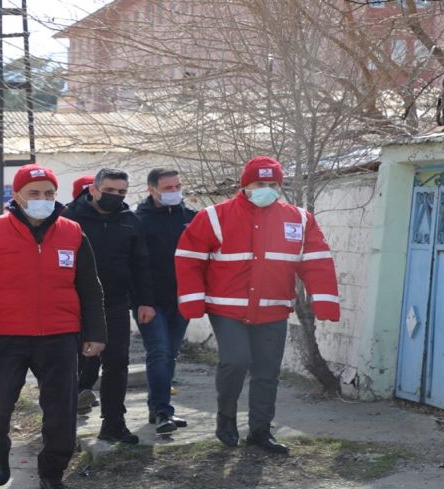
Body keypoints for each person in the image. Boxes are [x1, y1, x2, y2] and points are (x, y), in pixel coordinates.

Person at [0, 163, 106, 489]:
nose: (43, 199)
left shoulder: (72, 232)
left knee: (61, 410)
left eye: (49, 193)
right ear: (17, 195)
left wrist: (95, 333)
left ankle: (52, 475)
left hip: (59, 334)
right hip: (3, 335)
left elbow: (89, 287)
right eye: (34, 193)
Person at [175, 156, 340, 455]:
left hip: (272, 308)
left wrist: (324, 299)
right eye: (259, 183)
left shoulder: (299, 219)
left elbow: (317, 261)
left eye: (272, 184)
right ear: (245, 185)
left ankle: (260, 431)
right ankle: (226, 420)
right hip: (227, 308)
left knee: (267, 371)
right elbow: (189, 259)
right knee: (235, 361)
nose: (267, 189)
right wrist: (192, 300)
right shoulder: (214, 216)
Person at [62, 169, 155, 444]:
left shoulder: (130, 221)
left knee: (117, 363)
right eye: (110, 191)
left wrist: (145, 301)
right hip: (74, 304)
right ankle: (60, 425)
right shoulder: (68, 219)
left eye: (122, 192)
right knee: (69, 363)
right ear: (93, 189)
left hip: (115, 304)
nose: (116, 196)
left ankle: (113, 423)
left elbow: (141, 264)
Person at [134, 168, 198, 434]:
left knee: (170, 353)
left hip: (182, 300)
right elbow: (137, 266)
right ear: (152, 190)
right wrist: (143, 302)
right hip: (151, 302)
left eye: (177, 187)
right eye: (168, 188)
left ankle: (158, 406)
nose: (174, 192)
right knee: (158, 352)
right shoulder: (138, 220)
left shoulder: (191, 218)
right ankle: (163, 412)